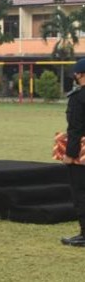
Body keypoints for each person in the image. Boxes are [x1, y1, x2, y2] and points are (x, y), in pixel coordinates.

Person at [61, 58, 85, 247]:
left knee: (81, 193)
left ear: (80, 75)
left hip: (81, 155)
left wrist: (70, 154)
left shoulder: (78, 99)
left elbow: (75, 129)